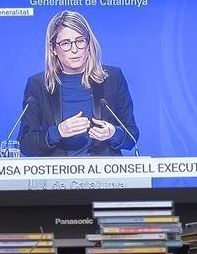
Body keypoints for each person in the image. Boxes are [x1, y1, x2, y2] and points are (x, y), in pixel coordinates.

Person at [18, 11, 139, 157]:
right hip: (56, 176)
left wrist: (113, 133)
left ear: (88, 43)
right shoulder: (38, 84)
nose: (74, 49)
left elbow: (131, 137)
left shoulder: (113, 78)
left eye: (80, 41)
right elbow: (25, 144)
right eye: (65, 43)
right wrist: (58, 132)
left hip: (104, 175)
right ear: (53, 49)